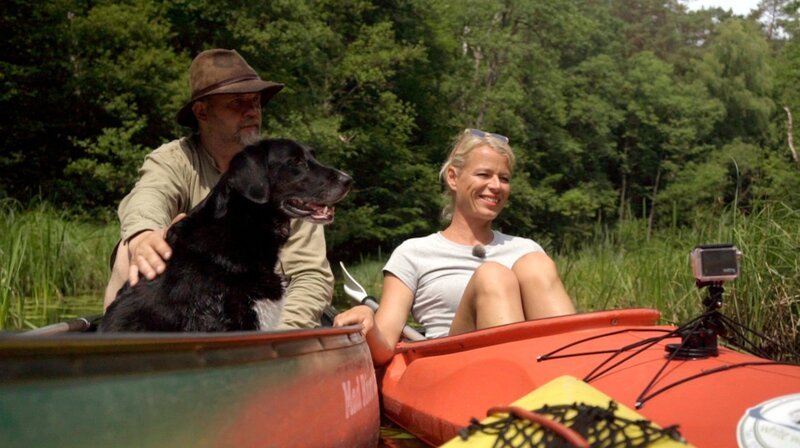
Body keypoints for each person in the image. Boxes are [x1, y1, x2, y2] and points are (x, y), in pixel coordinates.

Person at [103, 49, 334, 329]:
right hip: (181, 314)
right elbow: (148, 197)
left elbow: (310, 275)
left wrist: (278, 338)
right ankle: (117, 351)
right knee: (134, 253)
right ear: (202, 111)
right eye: (238, 103)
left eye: (256, 102)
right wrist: (142, 236)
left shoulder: (285, 176)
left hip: (263, 319)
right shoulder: (176, 160)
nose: (252, 111)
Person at [334, 128, 576, 364]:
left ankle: (575, 379)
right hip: (456, 371)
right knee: (492, 276)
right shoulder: (413, 252)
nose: (496, 186)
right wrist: (368, 320)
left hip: (539, 366)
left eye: (504, 178)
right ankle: (518, 383)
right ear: (453, 177)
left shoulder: (527, 249)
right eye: (484, 175)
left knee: (536, 265)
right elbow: (384, 347)